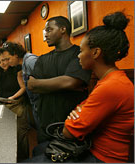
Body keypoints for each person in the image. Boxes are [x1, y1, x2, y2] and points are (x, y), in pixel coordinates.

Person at [62, 11, 134, 163]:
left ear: (95, 53)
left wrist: (77, 112)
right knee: (39, 150)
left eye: (81, 51)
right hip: (94, 150)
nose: (78, 56)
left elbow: (68, 132)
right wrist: (79, 111)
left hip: (104, 158)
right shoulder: (111, 79)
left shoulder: (112, 86)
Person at [27, 16, 92, 144]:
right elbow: (31, 85)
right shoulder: (42, 59)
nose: (46, 34)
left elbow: (71, 82)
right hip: (45, 124)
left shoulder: (79, 54)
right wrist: (64, 83)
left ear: (63, 29)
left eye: (49, 30)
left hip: (71, 125)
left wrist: (42, 85)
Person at [0, 48, 29, 162]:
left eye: (4, 60)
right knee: (6, 135)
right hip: (3, 106)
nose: (2, 64)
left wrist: (12, 98)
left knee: (20, 135)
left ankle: (23, 159)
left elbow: (23, 88)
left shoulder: (16, 69)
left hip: (16, 105)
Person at [2, 42, 40, 129]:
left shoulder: (30, 61)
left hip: (41, 103)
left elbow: (43, 80)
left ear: (15, 54)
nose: (7, 62)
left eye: (8, 59)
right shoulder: (23, 64)